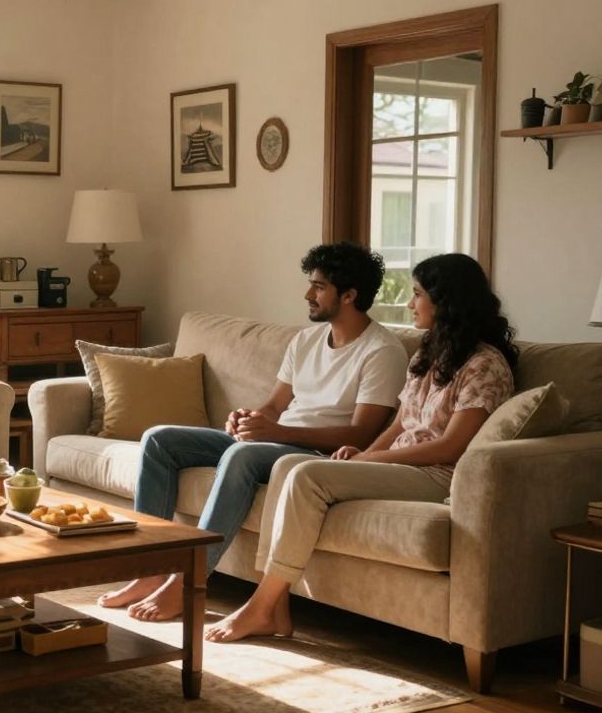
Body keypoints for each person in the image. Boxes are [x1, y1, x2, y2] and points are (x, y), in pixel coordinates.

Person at [207, 253, 516, 643]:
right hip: (399, 466)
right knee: (288, 466)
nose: (409, 303)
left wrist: (372, 457)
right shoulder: (429, 353)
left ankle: (261, 606)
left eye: (417, 294)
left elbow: (451, 446)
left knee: (306, 474)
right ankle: (275, 608)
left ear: (446, 301)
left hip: (436, 475)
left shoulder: (484, 365)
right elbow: (402, 423)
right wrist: (364, 454)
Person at [100, 242, 409, 621]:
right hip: (277, 438)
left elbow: (360, 436)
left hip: (316, 456)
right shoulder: (307, 340)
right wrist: (248, 418)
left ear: (349, 295)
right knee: (160, 439)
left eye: (318, 286)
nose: (307, 294)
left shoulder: (382, 351)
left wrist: (276, 431)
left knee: (241, 456)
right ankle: (150, 570)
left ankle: (190, 584)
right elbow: (275, 406)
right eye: (310, 284)